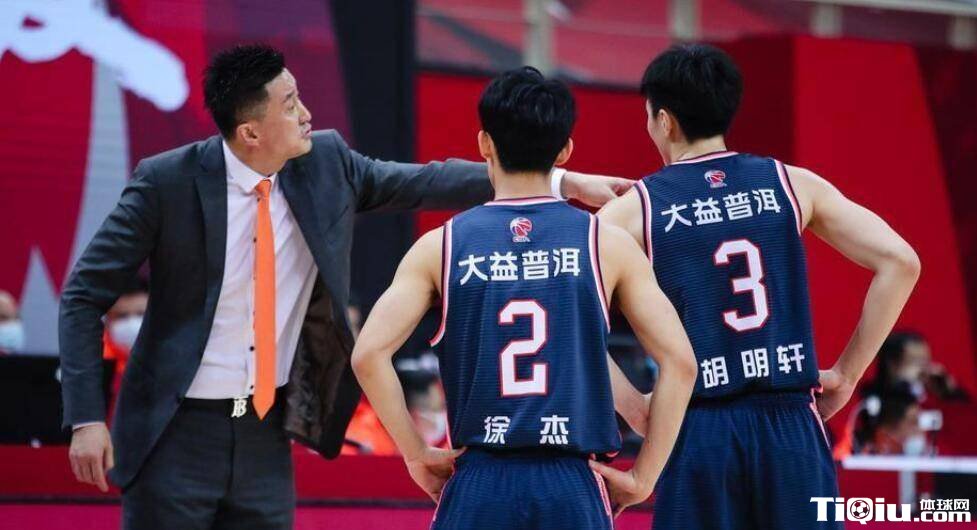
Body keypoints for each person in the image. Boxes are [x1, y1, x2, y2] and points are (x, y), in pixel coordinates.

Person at [59, 44, 630, 529]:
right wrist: (85, 418)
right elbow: (84, 294)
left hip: (265, 430)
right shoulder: (166, 181)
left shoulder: (325, 163)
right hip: (173, 432)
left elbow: (426, 180)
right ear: (250, 131)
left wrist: (558, 181)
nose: (307, 113)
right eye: (290, 105)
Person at [352, 67, 696, 529]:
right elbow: (681, 363)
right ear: (565, 150)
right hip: (572, 482)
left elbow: (368, 355)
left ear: (484, 144)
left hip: (479, 480)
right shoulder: (605, 243)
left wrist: (415, 454)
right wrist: (643, 476)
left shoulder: (440, 246)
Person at [598, 44, 921, 529]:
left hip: (700, 426)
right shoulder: (791, 183)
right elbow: (901, 262)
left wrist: (636, 407)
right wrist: (847, 375)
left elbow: (564, 315)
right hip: (791, 423)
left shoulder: (634, 210)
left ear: (664, 121)